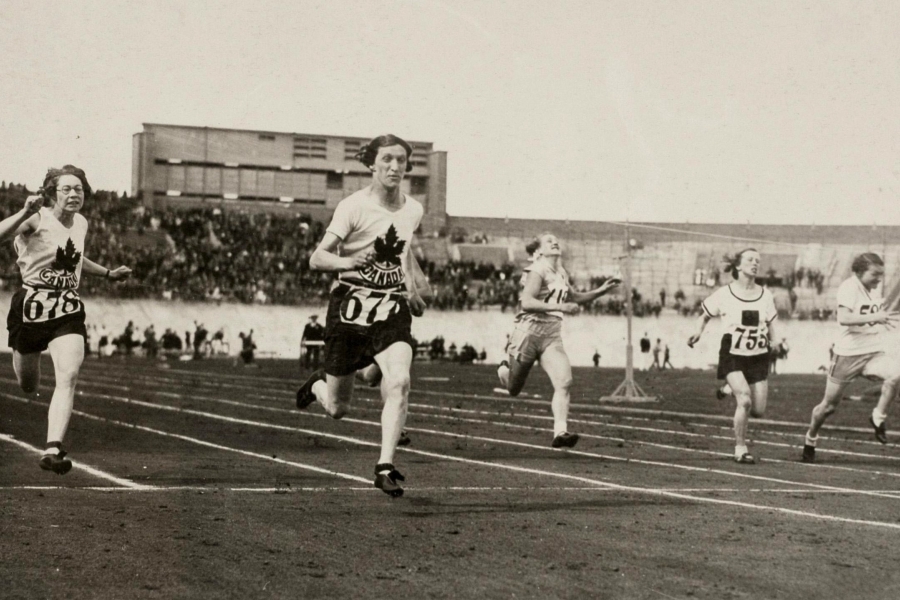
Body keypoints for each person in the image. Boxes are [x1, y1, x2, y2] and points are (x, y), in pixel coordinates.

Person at [294, 134, 428, 497]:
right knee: (338, 408)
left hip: (390, 307)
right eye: (387, 159)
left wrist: (414, 287)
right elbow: (317, 258)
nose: (395, 167)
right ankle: (316, 384)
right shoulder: (352, 206)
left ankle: (384, 466)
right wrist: (348, 261)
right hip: (349, 308)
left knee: (399, 381)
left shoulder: (413, 209)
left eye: (401, 160)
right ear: (372, 164)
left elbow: (403, 248)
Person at [0, 165, 131, 474]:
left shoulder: (81, 223)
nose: (74, 195)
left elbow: (74, 256)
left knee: (69, 374)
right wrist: (21, 213)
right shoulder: (36, 218)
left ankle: (53, 448)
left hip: (67, 308)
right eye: (67, 189)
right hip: (30, 307)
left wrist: (108, 273)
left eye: (79, 189)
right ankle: (26, 358)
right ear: (52, 193)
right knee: (28, 385)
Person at [497, 233, 620, 448]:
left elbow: (574, 297)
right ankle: (504, 371)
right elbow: (526, 302)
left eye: (556, 240)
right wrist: (561, 307)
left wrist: (602, 290)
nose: (554, 242)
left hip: (551, 336)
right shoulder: (538, 269)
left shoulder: (561, 271)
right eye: (548, 241)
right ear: (540, 249)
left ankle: (560, 432)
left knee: (564, 382)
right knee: (513, 389)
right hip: (528, 333)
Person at [801, 253, 900, 462]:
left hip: (873, 351)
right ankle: (811, 437)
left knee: (896, 375)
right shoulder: (849, 287)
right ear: (859, 271)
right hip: (847, 355)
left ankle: (878, 417)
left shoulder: (875, 290)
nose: (879, 279)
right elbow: (844, 318)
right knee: (828, 407)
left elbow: (877, 316)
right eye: (875, 274)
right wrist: (876, 317)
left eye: (881, 275)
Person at [688, 248, 777, 464]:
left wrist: (775, 340)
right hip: (733, 354)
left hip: (758, 355)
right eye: (750, 259)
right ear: (738, 266)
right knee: (744, 400)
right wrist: (698, 332)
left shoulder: (766, 295)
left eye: (758, 260)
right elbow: (704, 316)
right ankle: (740, 448)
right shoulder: (724, 294)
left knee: (758, 410)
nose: (755, 263)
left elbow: (771, 322)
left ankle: (728, 388)